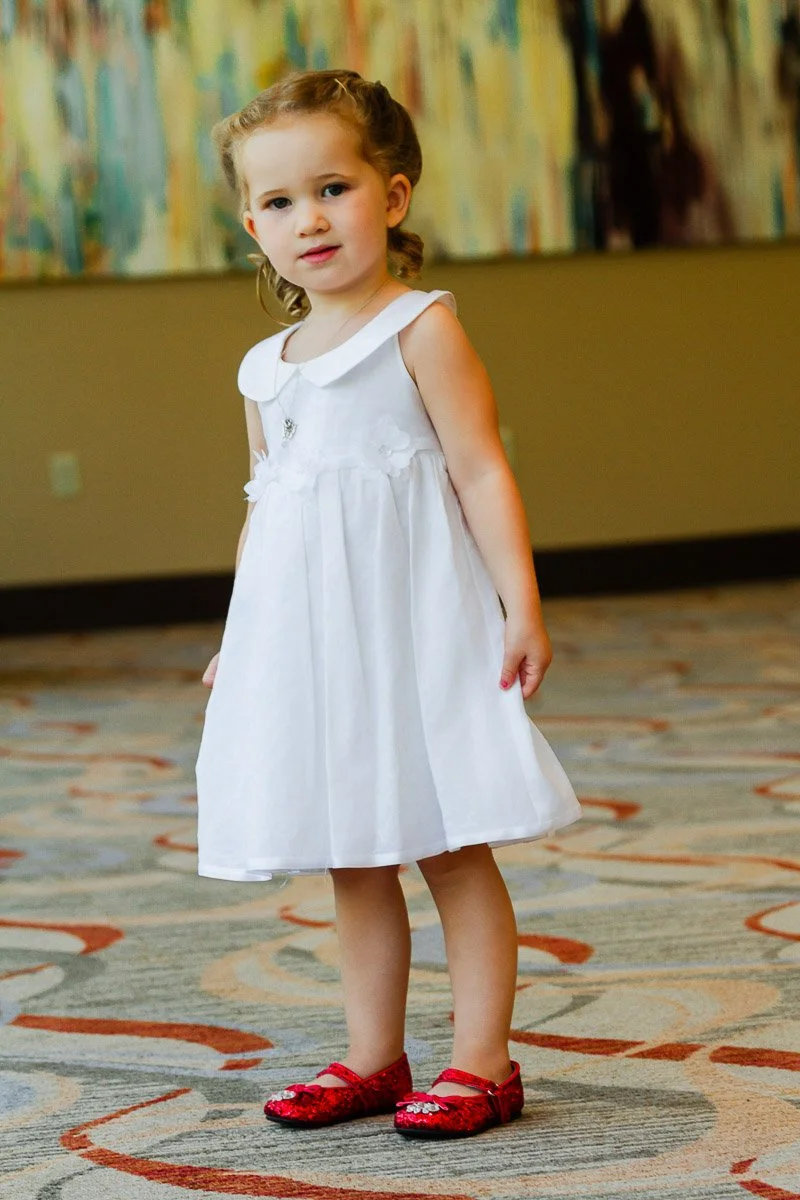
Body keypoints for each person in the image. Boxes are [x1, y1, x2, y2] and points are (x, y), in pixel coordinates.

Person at [196, 67, 582, 1139]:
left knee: (450, 840)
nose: (306, 219)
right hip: (315, 645)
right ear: (252, 228)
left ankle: (481, 1062)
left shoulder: (420, 327)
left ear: (392, 196)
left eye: (331, 188)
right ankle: (372, 1055)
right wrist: (243, 640)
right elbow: (266, 508)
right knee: (352, 851)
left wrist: (520, 605)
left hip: (418, 628)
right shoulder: (263, 369)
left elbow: (480, 470)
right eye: (277, 203)